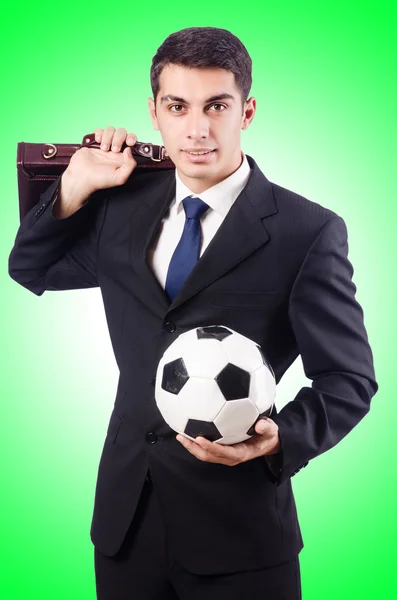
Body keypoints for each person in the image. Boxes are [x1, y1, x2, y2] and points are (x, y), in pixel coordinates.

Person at [8, 26, 378, 600]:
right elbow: (31, 269)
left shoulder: (307, 233)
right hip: (125, 526)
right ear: (154, 112)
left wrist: (281, 438)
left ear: (246, 111)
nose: (197, 129)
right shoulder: (120, 207)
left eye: (217, 106)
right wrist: (72, 190)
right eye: (177, 106)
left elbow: (350, 379)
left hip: (242, 538)